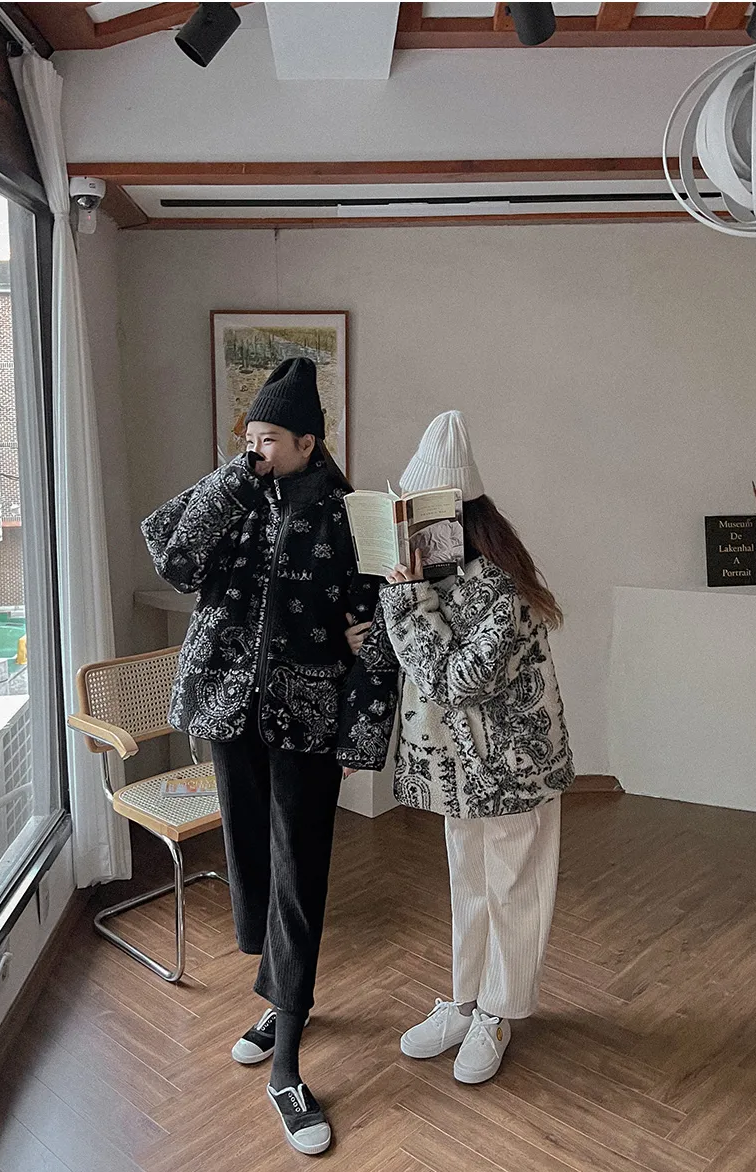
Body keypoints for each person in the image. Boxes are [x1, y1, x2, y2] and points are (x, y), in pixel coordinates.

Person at [142, 357, 398, 1155]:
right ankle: (281, 996)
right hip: (228, 712)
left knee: (298, 876)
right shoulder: (231, 496)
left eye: (270, 440)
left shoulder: (350, 515)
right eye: (249, 437)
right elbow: (174, 561)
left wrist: (359, 733)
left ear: (309, 442)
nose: (255, 450)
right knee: (251, 866)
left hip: (306, 721)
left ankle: (286, 1059)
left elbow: (379, 631)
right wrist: (235, 480)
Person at [347, 410, 574, 1085]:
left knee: (512, 889)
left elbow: (455, 681)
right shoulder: (433, 583)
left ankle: (498, 1011)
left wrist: (407, 600)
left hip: (514, 770)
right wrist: (393, 607)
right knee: (469, 885)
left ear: (459, 518)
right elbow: (412, 664)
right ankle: (466, 1000)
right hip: (459, 773)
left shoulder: (497, 587)